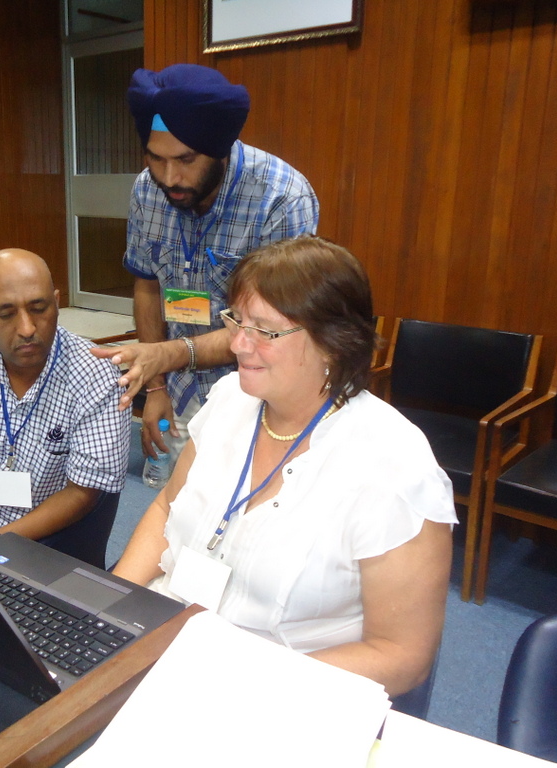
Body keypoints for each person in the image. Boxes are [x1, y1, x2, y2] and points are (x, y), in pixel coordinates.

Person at [112, 236, 456, 697]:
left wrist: (243, 684)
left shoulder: (395, 469)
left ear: (333, 342)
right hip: (164, 641)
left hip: (280, 688)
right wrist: (111, 606)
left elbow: (402, 656)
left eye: (265, 331)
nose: (237, 344)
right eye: (237, 321)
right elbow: (165, 508)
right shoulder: (229, 400)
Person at [92, 63, 319, 463]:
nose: (169, 177)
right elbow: (148, 285)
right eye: (156, 158)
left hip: (258, 394)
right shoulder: (147, 191)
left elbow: (269, 329)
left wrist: (165, 355)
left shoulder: (281, 198)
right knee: (179, 493)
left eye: (186, 159)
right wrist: (156, 386)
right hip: (178, 388)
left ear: (220, 149)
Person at [0, 248, 130, 540]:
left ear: (57, 303)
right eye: (6, 314)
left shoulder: (96, 374)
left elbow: (82, 493)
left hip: (43, 539)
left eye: (39, 309)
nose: (27, 329)